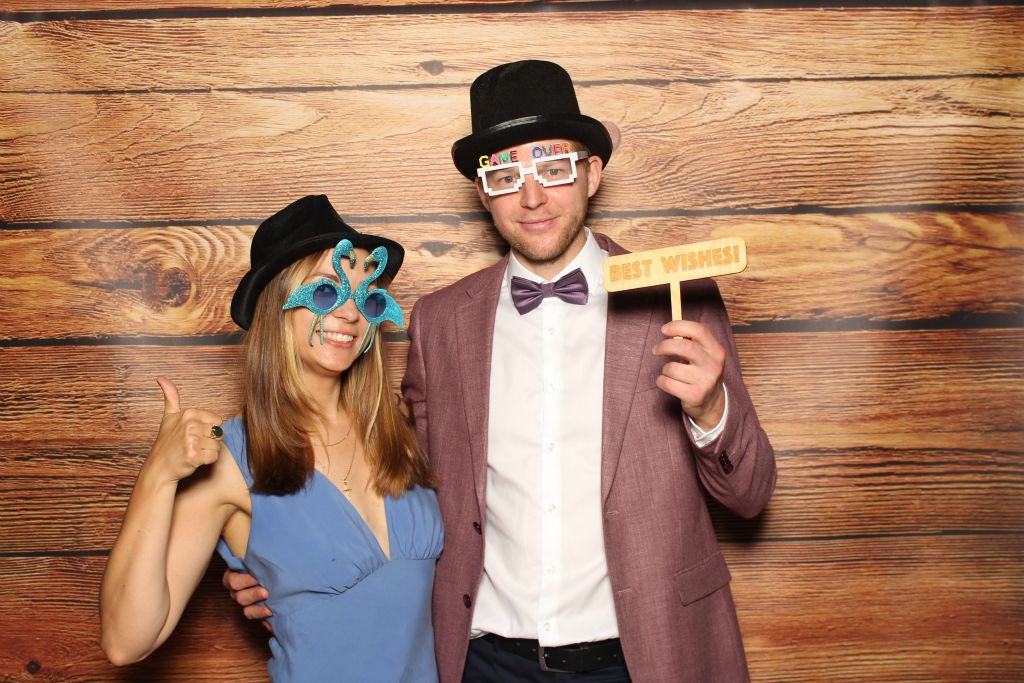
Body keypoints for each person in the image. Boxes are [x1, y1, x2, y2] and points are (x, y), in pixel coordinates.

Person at [229, 60, 776, 682]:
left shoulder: (677, 299)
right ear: (483, 192)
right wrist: (278, 564)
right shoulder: (441, 322)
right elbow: (395, 478)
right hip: (487, 661)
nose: (532, 196)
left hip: (646, 656)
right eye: (506, 175)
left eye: (553, 168)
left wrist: (711, 412)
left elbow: (750, 496)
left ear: (592, 174)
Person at [99, 194, 443, 682]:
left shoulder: (401, 431)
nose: (350, 313)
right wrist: (157, 476)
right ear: (277, 303)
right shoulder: (230, 460)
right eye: (326, 292)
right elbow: (125, 642)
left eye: (365, 296)